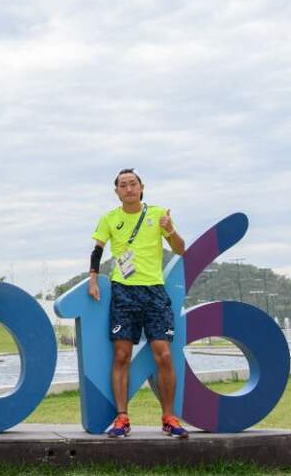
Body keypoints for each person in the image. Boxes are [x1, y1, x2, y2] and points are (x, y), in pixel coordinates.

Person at [88, 168, 189, 439]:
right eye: (123, 185)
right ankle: (122, 418)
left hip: (154, 291)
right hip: (124, 292)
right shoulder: (109, 218)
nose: (129, 188)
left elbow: (180, 249)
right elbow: (97, 250)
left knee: (164, 355)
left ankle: (169, 417)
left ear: (142, 187)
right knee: (121, 356)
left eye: (133, 184)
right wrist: (93, 279)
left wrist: (171, 229)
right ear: (117, 191)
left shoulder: (157, 215)